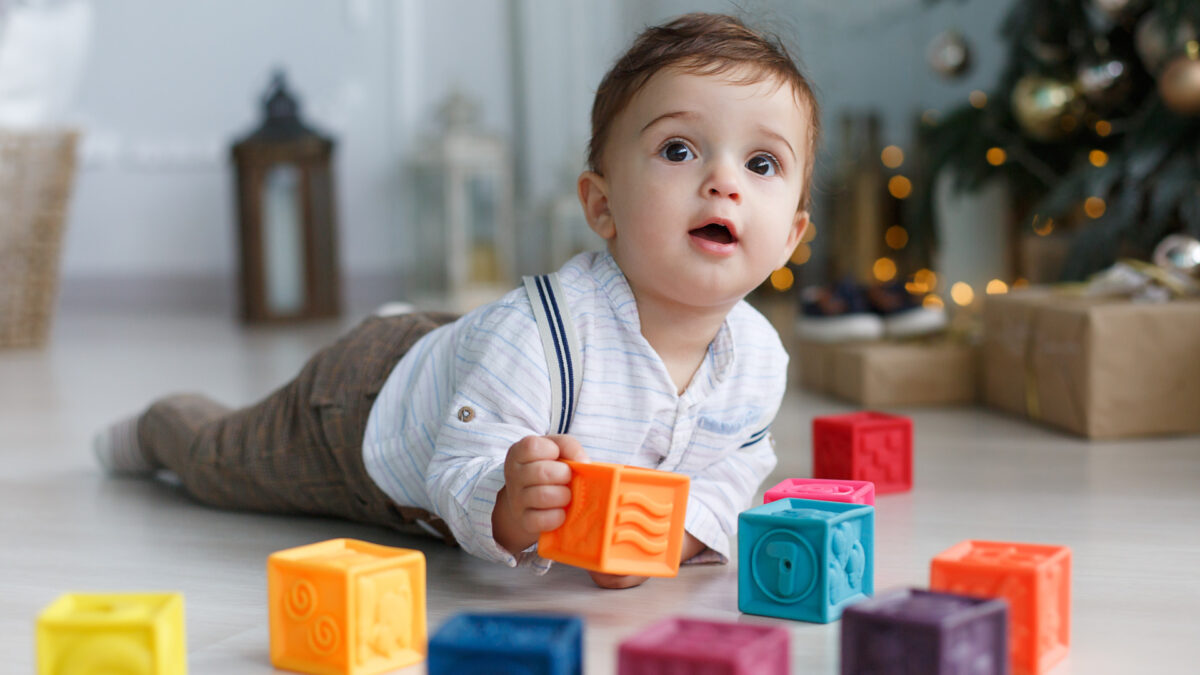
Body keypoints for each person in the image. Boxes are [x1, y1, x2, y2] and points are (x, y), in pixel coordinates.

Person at [93, 12, 821, 590]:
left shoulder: (756, 360)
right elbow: (457, 466)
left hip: (471, 361)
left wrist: (673, 536)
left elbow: (731, 469)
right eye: (679, 150)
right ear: (602, 206)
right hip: (363, 412)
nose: (724, 180)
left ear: (790, 236)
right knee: (227, 463)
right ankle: (161, 427)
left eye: (761, 163)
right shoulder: (545, 336)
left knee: (483, 363)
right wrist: (506, 506)